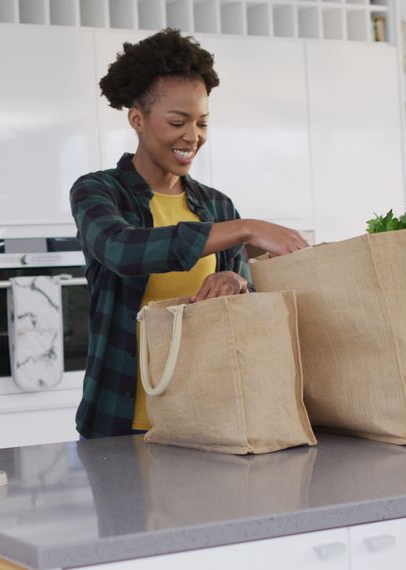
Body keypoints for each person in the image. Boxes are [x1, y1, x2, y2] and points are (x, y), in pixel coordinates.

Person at [71, 29, 309, 439]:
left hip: (209, 414)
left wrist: (236, 281)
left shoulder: (217, 206)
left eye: (202, 123)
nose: (192, 136)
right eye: (177, 122)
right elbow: (122, 251)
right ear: (137, 119)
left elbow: (245, 306)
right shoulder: (98, 191)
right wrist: (247, 228)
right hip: (122, 417)